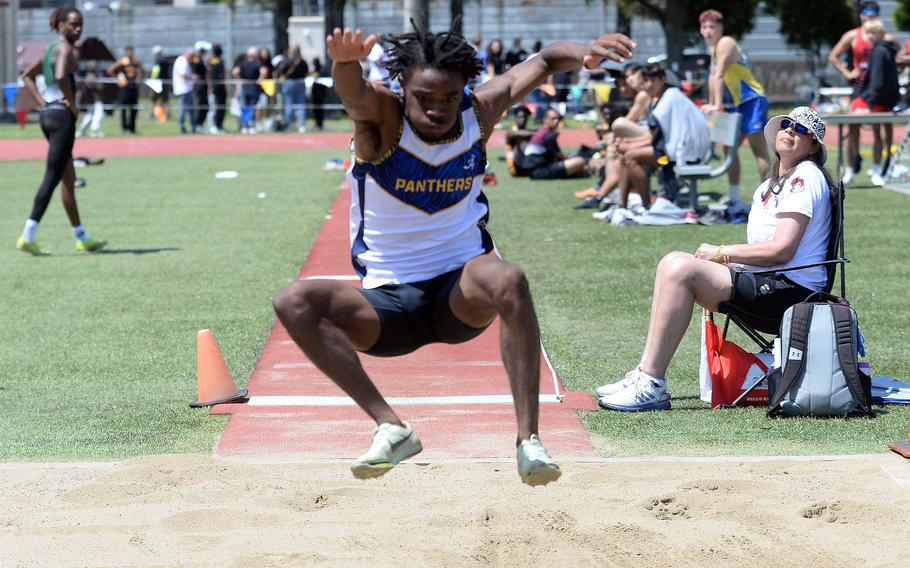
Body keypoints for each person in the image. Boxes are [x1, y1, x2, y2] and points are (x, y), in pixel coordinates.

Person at [271, 24, 635, 484]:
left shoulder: (478, 113)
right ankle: (391, 427)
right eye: (425, 97)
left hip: (459, 292)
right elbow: (355, 93)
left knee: (509, 278)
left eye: (448, 96)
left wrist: (583, 51)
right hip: (387, 304)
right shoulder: (383, 118)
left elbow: (543, 62)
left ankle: (529, 442)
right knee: (293, 300)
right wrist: (345, 63)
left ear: (463, 88)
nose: (437, 108)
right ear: (404, 88)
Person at [597, 106, 833, 411]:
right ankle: (644, 375)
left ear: (814, 146)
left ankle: (652, 383)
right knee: (671, 263)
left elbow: (781, 250)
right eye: (787, 124)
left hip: (793, 295)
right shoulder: (773, 182)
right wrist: (730, 262)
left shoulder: (805, 177)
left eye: (801, 130)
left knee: (681, 269)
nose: (790, 130)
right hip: (771, 281)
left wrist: (721, 252)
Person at [16, 7, 106, 256]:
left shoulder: (50, 48)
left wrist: (42, 103)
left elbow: (27, 76)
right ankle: (27, 236)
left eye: (81, 25)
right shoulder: (65, 49)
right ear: (61, 25)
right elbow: (60, 76)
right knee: (52, 178)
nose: (78, 29)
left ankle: (82, 237)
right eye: (74, 24)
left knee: (68, 179)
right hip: (61, 118)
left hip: (49, 116)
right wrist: (73, 106)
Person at [698, 9, 770, 210]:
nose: (708, 31)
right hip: (738, 104)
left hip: (753, 100)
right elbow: (713, 78)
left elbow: (719, 74)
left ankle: (771, 200)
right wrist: (712, 103)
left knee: (759, 151)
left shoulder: (726, 42)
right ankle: (735, 198)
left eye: (712, 26)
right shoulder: (713, 48)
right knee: (728, 148)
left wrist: (717, 105)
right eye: (704, 27)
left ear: (721, 28)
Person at [827, 0, 899, 185]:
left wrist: (894, 74)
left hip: (880, 90)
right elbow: (833, 57)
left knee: (879, 129)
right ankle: (850, 170)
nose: (870, 15)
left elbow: (899, 58)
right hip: (860, 88)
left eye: (873, 12)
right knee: (852, 128)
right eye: (866, 12)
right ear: (860, 15)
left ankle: (878, 169)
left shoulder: (887, 38)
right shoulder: (852, 35)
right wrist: (847, 72)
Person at [857, 18, 899, 186]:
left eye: (874, 32)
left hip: (879, 101)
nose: (870, 36)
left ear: (881, 34)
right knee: (886, 135)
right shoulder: (889, 50)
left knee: (877, 137)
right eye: (868, 32)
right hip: (889, 100)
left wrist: (871, 103)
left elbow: (877, 80)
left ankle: (877, 169)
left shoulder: (878, 52)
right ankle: (886, 165)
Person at [519, 108, 589, 179]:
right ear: (545, 120)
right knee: (580, 161)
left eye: (558, 119)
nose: (556, 121)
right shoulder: (549, 135)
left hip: (535, 170)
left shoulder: (542, 132)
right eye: (553, 118)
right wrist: (573, 161)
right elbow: (560, 156)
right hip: (540, 171)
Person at [107, 46, 144, 134]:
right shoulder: (122, 62)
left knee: (134, 109)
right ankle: (124, 129)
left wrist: (139, 78)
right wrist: (118, 78)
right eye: (128, 52)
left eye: (131, 52)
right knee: (123, 109)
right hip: (125, 88)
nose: (130, 54)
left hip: (133, 88)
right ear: (126, 52)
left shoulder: (135, 62)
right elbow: (110, 70)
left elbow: (143, 71)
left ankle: (132, 128)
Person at [279, 45, 309, 132]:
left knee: (289, 104)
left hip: (289, 82)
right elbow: (306, 73)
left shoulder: (288, 61)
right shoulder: (303, 62)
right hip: (300, 82)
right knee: (301, 105)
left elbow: (281, 71)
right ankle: (302, 125)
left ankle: (288, 125)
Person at [233, 47, 262, 134]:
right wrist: (259, 80)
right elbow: (263, 71)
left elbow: (235, 72)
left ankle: (245, 126)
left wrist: (240, 79)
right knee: (252, 107)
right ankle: (251, 125)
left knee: (245, 107)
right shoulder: (257, 63)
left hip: (245, 86)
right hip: (253, 87)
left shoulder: (243, 63)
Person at [172, 47, 196, 134]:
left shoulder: (182, 60)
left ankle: (193, 127)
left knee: (190, 109)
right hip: (184, 89)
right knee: (184, 109)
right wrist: (192, 77)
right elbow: (183, 75)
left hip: (186, 89)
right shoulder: (183, 61)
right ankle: (182, 127)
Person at [190, 41, 210, 134]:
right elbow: (195, 72)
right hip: (199, 86)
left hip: (204, 85)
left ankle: (200, 125)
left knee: (205, 106)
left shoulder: (203, 59)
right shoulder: (196, 59)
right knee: (199, 106)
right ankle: (197, 125)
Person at [208, 43, 228, 134]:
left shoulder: (214, 61)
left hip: (218, 87)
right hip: (217, 87)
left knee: (220, 107)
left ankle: (219, 125)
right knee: (217, 107)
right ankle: (215, 125)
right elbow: (210, 74)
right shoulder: (214, 61)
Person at [149, 45, 170, 122]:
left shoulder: (157, 61)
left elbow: (155, 72)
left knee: (153, 100)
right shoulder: (166, 61)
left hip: (156, 83)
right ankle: (165, 115)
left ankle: (153, 114)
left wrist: (152, 80)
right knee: (164, 100)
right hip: (164, 82)